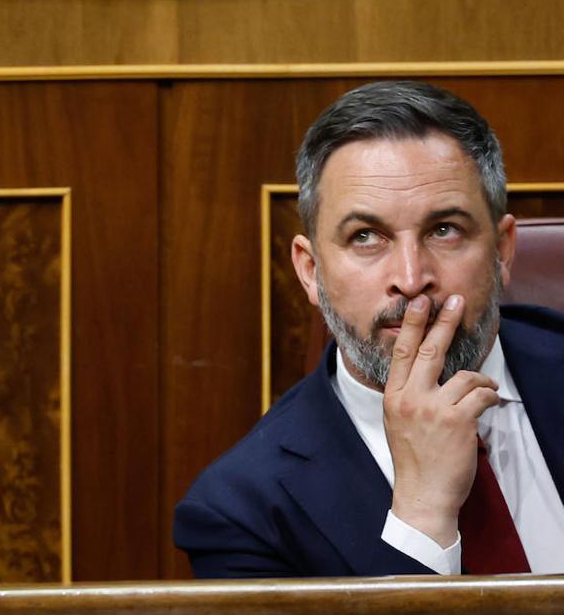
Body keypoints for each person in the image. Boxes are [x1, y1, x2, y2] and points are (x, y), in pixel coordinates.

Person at [174, 81, 564, 578]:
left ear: (503, 251)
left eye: (444, 229)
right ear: (311, 271)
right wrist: (422, 516)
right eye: (365, 237)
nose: (410, 278)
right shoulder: (243, 514)